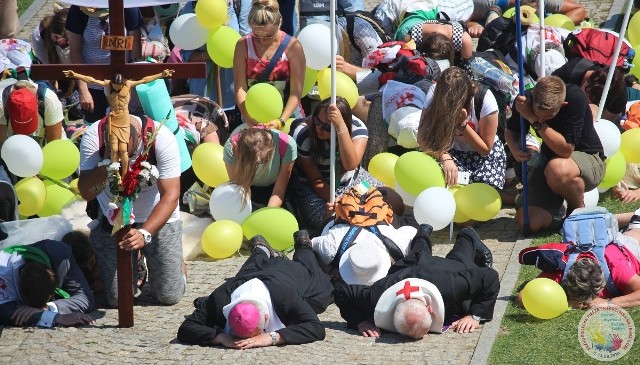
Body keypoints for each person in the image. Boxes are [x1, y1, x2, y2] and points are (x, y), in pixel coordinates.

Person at [77, 111, 185, 308]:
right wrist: (108, 160)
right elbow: (86, 192)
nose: (123, 154)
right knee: (118, 299)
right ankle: (138, 263)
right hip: (114, 218)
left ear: (138, 137)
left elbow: (171, 195)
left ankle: (177, 266)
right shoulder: (94, 136)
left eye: (127, 147)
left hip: (157, 215)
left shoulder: (162, 138)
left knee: (169, 295)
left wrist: (145, 233)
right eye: (116, 145)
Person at [177, 231, 334, 348]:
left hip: (288, 274)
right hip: (252, 275)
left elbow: (316, 328)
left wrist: (273, 337)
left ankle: (303, 244)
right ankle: (261, 249)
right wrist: (220, 337)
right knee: (248, 270)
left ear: (266, 317)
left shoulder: (287, 298)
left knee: (320, 289)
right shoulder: (220, 298)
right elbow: (186, 329)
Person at [334, 226, 498, 338]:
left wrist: (475, 315)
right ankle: (423, 231)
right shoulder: (374, 297)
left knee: (460, 256)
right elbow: (341, 292)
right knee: (418, 252)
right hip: (406, 269)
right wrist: (360, 322)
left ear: (429, 308)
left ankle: (466, 234)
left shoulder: (450, 286)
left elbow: (489, 277)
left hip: (442, 271)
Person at [504, 75, 605, 233]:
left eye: (549, 115)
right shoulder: (525, 100)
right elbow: (511, 131)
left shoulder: (575, 98)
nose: (542, 118)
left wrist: (533, 118)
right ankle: (554, 206)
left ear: (562, 105)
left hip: (587, 158)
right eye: (538, 113)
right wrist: (515, 149)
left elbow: (565, 150)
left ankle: (577, 212)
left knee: (558, 168)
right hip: (548, 163)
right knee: (528, 224)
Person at [289, 97, 382, 232]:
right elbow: (316, 181)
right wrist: (341, 202)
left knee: (391, 198)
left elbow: (351, 165)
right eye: (317, 122)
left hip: (354, 182)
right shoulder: (304, 135)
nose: (319, 129)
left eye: (327, 127)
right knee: (331, 219)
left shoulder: (358, 129)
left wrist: (340, 128)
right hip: (317, 190)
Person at [63, 69, 175, 178]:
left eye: (118, 86)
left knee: (123, 149)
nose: (116, 88)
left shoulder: (128, 84)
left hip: (124, 119)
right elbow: (91, 80)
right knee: (114, 149)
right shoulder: (108, 84)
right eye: (115, 86)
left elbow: (145, 80)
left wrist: (161, 74)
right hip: (113, 119)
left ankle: (125, 174)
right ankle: (116, 174)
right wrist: (75, 75)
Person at [418, 67, 507, 192]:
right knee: (434, 178)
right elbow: (422, 137)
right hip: (447, 149)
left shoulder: (484, 98)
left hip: (481, 154)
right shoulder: (434, 93)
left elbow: (485, 149)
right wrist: (444, 157)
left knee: (482, 191)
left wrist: (463, 125)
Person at [517, 225, 640, 309]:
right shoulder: (560, 269)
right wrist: (566, 303)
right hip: (599, 244)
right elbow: (523, 297)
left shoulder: (617, 269)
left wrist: (608, 303)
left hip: (627, 245)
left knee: (636, 228)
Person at [233, 0, 306, 129]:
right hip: (253, 118)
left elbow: (296, 92)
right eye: (256, 36)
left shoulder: (293, 46)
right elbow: (240, 88)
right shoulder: (242, 45)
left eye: (269, 36)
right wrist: (247, 117)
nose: (262, 41)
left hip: (287, 117)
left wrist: (281, 121)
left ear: (279, 23)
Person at [65, 6, 143, 123]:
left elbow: (136, 50)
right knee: (96, 128)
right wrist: (83, 90)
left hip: (122, 83)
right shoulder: (78, 10)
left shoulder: (128, 7)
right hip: (93, 85)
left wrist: (132, 84)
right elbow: (75, 51)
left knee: (124, 126)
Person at [0, 239, 95, 327]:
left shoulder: (60, 255)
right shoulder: (3, 270)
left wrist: (49, 308)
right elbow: (4, 312)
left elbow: (86, 298)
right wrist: (53, 317)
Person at [180, 1, 241, 127]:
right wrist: (210, 54)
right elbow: (187, 55)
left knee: (227, 130)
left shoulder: (227, 6)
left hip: (227, 90)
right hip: (202, 90)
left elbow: (237, 43)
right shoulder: (189, 8)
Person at [224, 126, 296, 208]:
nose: (256, 167)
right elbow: (239, 188)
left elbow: (278, 191)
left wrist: (266, 214)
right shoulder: (231, 149)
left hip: (276, 186)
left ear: (271, 149)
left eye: (262, 161)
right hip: (248, 188)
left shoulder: (287, 145)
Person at [552, 58, 627, 122]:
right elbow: (546, 96)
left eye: (596, 100)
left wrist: (594, 117)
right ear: (588, 80)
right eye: (589, 95)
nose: (589, 102)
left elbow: (604, 123)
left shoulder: (619, 96)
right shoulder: (568, 72)